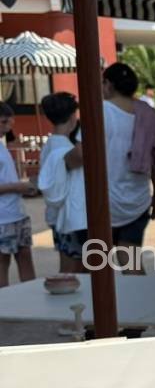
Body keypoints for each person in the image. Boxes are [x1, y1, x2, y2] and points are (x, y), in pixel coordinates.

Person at [102, 62, 155, 266]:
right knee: (131, 263)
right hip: (138, 201)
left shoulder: (101, 111)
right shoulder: (150, 116)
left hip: (103, 203)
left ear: (108, 85)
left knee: (97, 265)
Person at [37, 92, 87, 273]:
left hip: (56, 216)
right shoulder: (67, 149)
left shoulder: (50, 145)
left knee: (71, 268)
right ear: (73, 116)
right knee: (74, 271)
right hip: (70, 217)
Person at [0, 101, 35, 287]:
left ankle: (31, 297)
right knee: (2, 263)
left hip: (17, 213)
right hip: (2, 219)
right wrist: (17, 187)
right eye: (3, 122)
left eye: (10, 122)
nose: (7, 127)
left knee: (26, 257)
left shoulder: (2, 145)